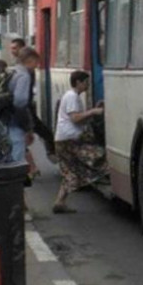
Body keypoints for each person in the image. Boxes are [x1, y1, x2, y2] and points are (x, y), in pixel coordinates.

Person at [52, 70, 107, 214]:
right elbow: (75, 118)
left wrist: (94, 109)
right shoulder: (71, 96)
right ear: (78, 82)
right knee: (98, 156)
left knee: (70, 170)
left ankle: (59, 202)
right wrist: (94, 112)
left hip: (64, 139)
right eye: (86, 82)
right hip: (69, 140)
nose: (88, 85)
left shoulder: (74, 97)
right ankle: (105, 176)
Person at [7, 48, 40, 165]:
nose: (36, 66)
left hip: (5, 118)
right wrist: (28, 127)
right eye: (36, 62)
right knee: (17, 154)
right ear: (30, 60)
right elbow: (20, 102)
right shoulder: (24, 76)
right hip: (15, 121)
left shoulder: (12, 71)